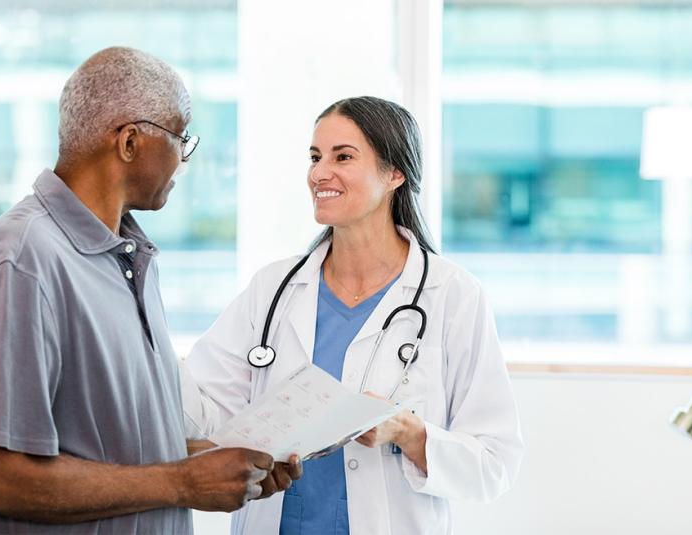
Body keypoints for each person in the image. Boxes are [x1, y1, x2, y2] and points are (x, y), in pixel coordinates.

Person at [0, 46, 300, 534]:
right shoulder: (19, 259)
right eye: (181, 138)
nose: (184, 158)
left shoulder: (127, 258)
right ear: (130, 142)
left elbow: (115, 449)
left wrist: (214, 463)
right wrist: (182, 481)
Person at [181, 96, 523, 534]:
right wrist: (142, 344)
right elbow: (206, 414)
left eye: (343, 157)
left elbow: (495, 464)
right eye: (315, 157)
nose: (319, 172)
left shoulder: (452, 296)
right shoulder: (274, 287)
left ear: (395, 173)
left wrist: (410, 433)